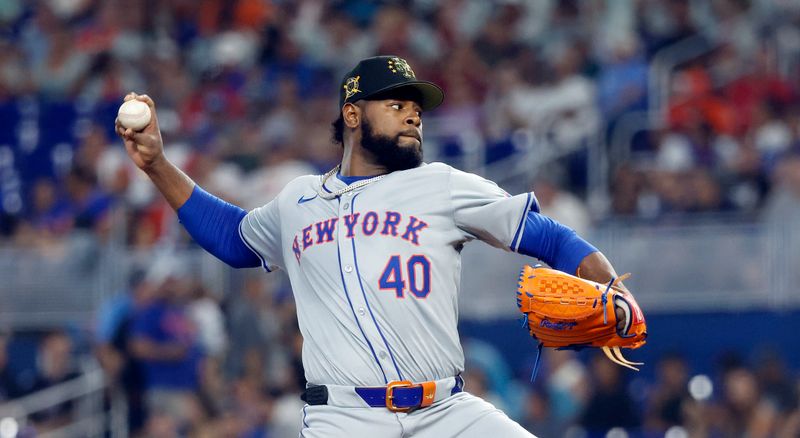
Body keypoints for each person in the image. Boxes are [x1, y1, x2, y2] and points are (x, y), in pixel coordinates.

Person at [117, 55, 637, 437]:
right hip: (343, 420)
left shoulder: (442, 184)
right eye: (396, 104)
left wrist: (611, 286)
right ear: (352, 115)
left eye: (417, 108)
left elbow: (549, 236)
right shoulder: (298, 199)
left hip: (446, 413)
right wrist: (157, 165)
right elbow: (234, 239)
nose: (413, 115)